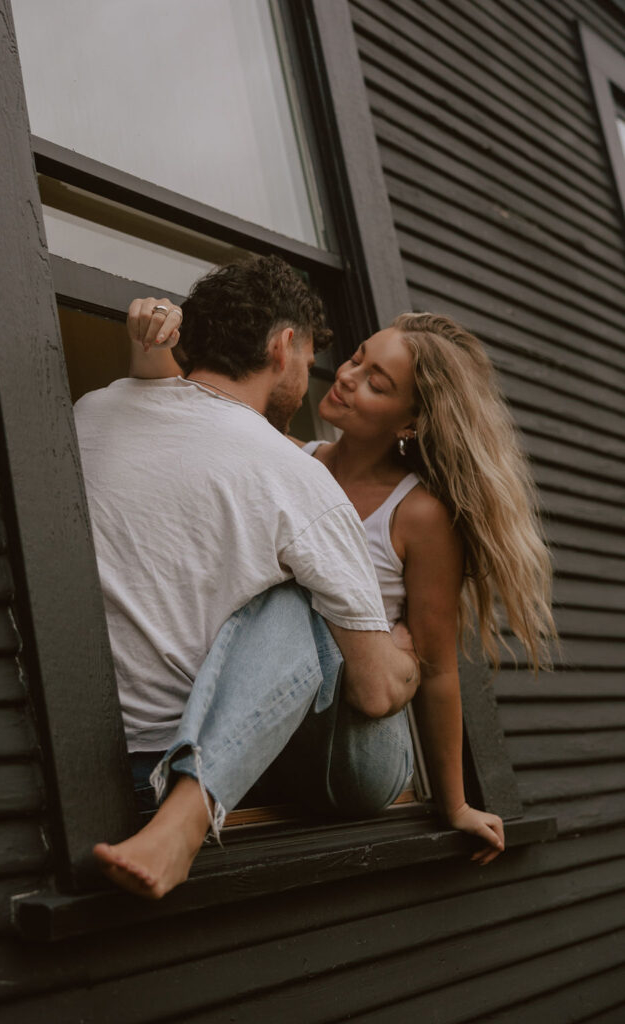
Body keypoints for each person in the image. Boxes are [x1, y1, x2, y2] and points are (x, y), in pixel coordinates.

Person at [134, 289, 557, 873]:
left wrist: (455, 803)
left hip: (362, 750)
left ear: (410, 421)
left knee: (292, 597)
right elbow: (207, 411)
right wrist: (157, 344)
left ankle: (186, 816)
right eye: (358, 358)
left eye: (377, 384)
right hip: (274, 736)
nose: (349, 377)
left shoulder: (420, 514)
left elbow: (434, 667)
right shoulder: (289, 458)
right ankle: (192, 794)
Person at [74, 256, 419, 900]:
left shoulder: (89, 413)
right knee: (298, 595)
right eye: (312, 358)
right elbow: (376, 693)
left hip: (81, 755)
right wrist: (408, 657)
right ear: (283, 346)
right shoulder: (296, 477)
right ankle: (186, 819)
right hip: (175, 766)